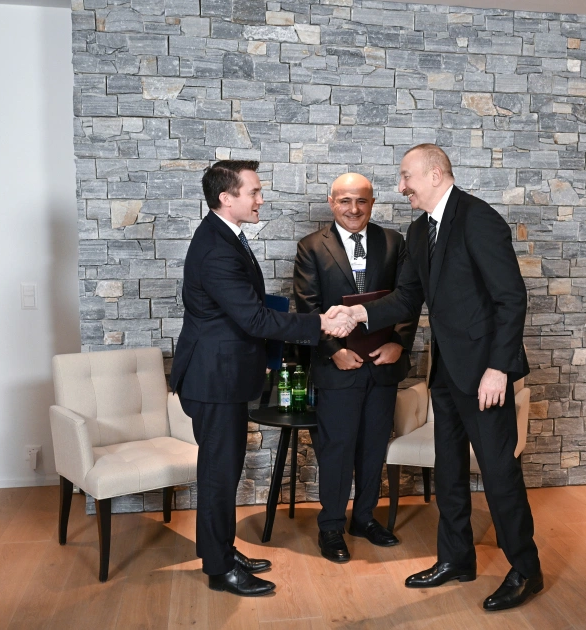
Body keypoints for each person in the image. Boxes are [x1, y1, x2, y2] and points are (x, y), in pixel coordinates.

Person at [330, 144, 542, 611]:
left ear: (434, 173)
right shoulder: (419, 230)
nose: (401, 186)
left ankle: (526, 570)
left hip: (486, 375)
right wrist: (356, 314)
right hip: (445, 372)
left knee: (499, 475)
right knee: (448, 472)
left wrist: (498, 369)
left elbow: (511, 298)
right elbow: (407, 298)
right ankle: (456, 559)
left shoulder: (479, 219)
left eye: (406, 176)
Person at [169, 160, 355, 596]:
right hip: (214, 380)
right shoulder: (217, 249)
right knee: (218, 476)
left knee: (224, 471)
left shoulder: (224, 236)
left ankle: (221, 549)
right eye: (253, 192)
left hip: (224, 376)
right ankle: (219, 569)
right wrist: (320, 323)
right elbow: (253, 318)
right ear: (226, 198)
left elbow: (246, 310)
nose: (261, 199)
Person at [293, 173, 419, 563]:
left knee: (372, 447)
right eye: (345, 200)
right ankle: (331, 526)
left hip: (382, 365)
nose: (353, 209)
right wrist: (333, 350)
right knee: (337, 449)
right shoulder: (311, 247)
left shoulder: (394, 242)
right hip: (338, 368)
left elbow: (408, 299)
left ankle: (363, 518)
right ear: (331, 202)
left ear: (372, 203)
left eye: (362, 201)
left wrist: (399, 343)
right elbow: (307, 307)